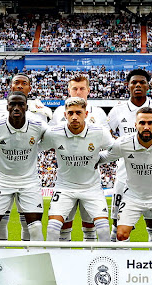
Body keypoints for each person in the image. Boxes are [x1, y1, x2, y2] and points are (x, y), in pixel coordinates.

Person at [106, 69, 152, 242]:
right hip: (124, 173)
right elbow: (106, 135)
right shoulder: (118, 110)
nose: (137, 85)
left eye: (142, 82)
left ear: (149, 85)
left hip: (151, 175)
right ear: (128, 86)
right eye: (134, 82)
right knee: (117, 223)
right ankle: (119, 260)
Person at [100, 107, 152, 243]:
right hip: (133, 196)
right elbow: (105, 157)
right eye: (142, 123)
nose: (146, 127)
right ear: (135, 125)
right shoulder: (123, 143)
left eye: (150, 123)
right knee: (121, 235)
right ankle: (127, 263)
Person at [0, 73, 51, 242]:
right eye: (16, 83)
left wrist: (32, 149)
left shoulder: (40, 109)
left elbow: (46, 138)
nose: (20, 86)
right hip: (4, 175)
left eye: (24, 83)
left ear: (30, 88)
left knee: (28, 223)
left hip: (28, 175)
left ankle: (29, 259)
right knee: (0, 222)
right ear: (10, 86)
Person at [41, 97, 114, 242]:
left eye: (78, 113)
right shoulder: (54, 132)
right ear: (65, 114)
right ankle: (57, 262)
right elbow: (36, 148)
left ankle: (100, 262)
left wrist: (99, 159)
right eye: (70, 113)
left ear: (86, 114)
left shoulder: (99, 132)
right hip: (64, 188)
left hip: (91, 188)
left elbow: (114, 150)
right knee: (52, 229)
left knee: (104, 230)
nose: (74, 117)